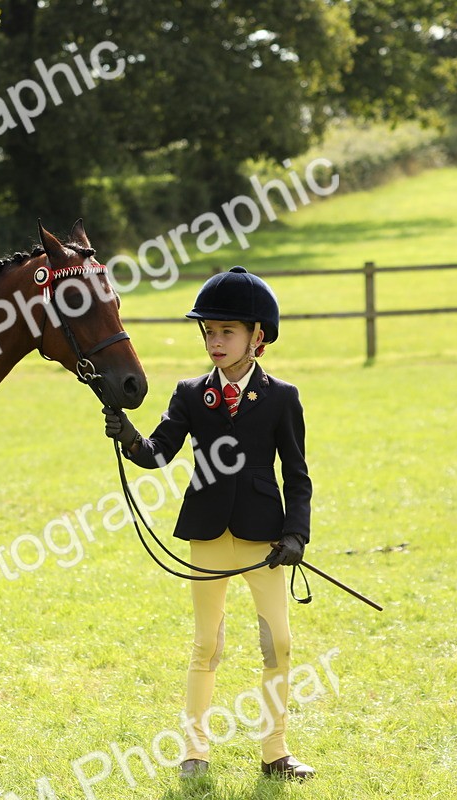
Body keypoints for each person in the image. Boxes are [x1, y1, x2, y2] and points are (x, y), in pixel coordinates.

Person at [102, 266, 315, 780]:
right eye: (209, 331)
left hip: (265, 538)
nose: (215, 342)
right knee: (207, 644)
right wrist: (130, 436)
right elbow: (158, 454)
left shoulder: (283, 397)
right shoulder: (190, 392)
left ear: (257, 337)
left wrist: (296, 534)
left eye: (227, 332)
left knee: (277, 644)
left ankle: (275, 753)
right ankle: (194, 751)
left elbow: (298, 473)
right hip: (208, 534)